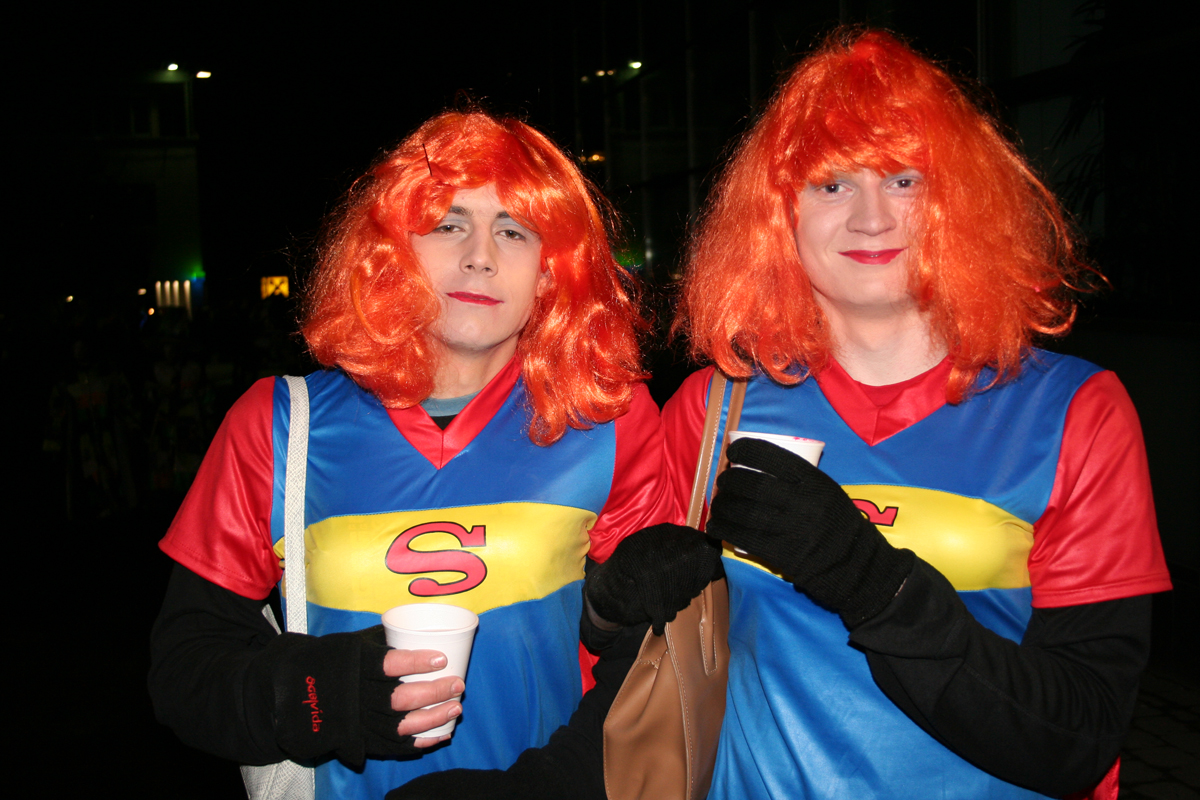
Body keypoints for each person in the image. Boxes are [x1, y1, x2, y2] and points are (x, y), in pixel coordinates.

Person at [654, 28, 1172, 800]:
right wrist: (615, 606)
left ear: (957, 203)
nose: (871, 218)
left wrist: (866, 579)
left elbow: (1081, 736)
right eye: (831, 184)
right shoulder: (714, 409)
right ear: (779, 215)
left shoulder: (1073, 412)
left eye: (904, 180)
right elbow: (652, 637)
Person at [148, 109, 676, 800]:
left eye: (514, 231)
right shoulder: (278, 426)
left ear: (550, 273)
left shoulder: (609, 420)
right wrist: (324, 696)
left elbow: (657, 653)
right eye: (449, 224)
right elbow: (185, 671)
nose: (480, 255)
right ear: (393, 252)